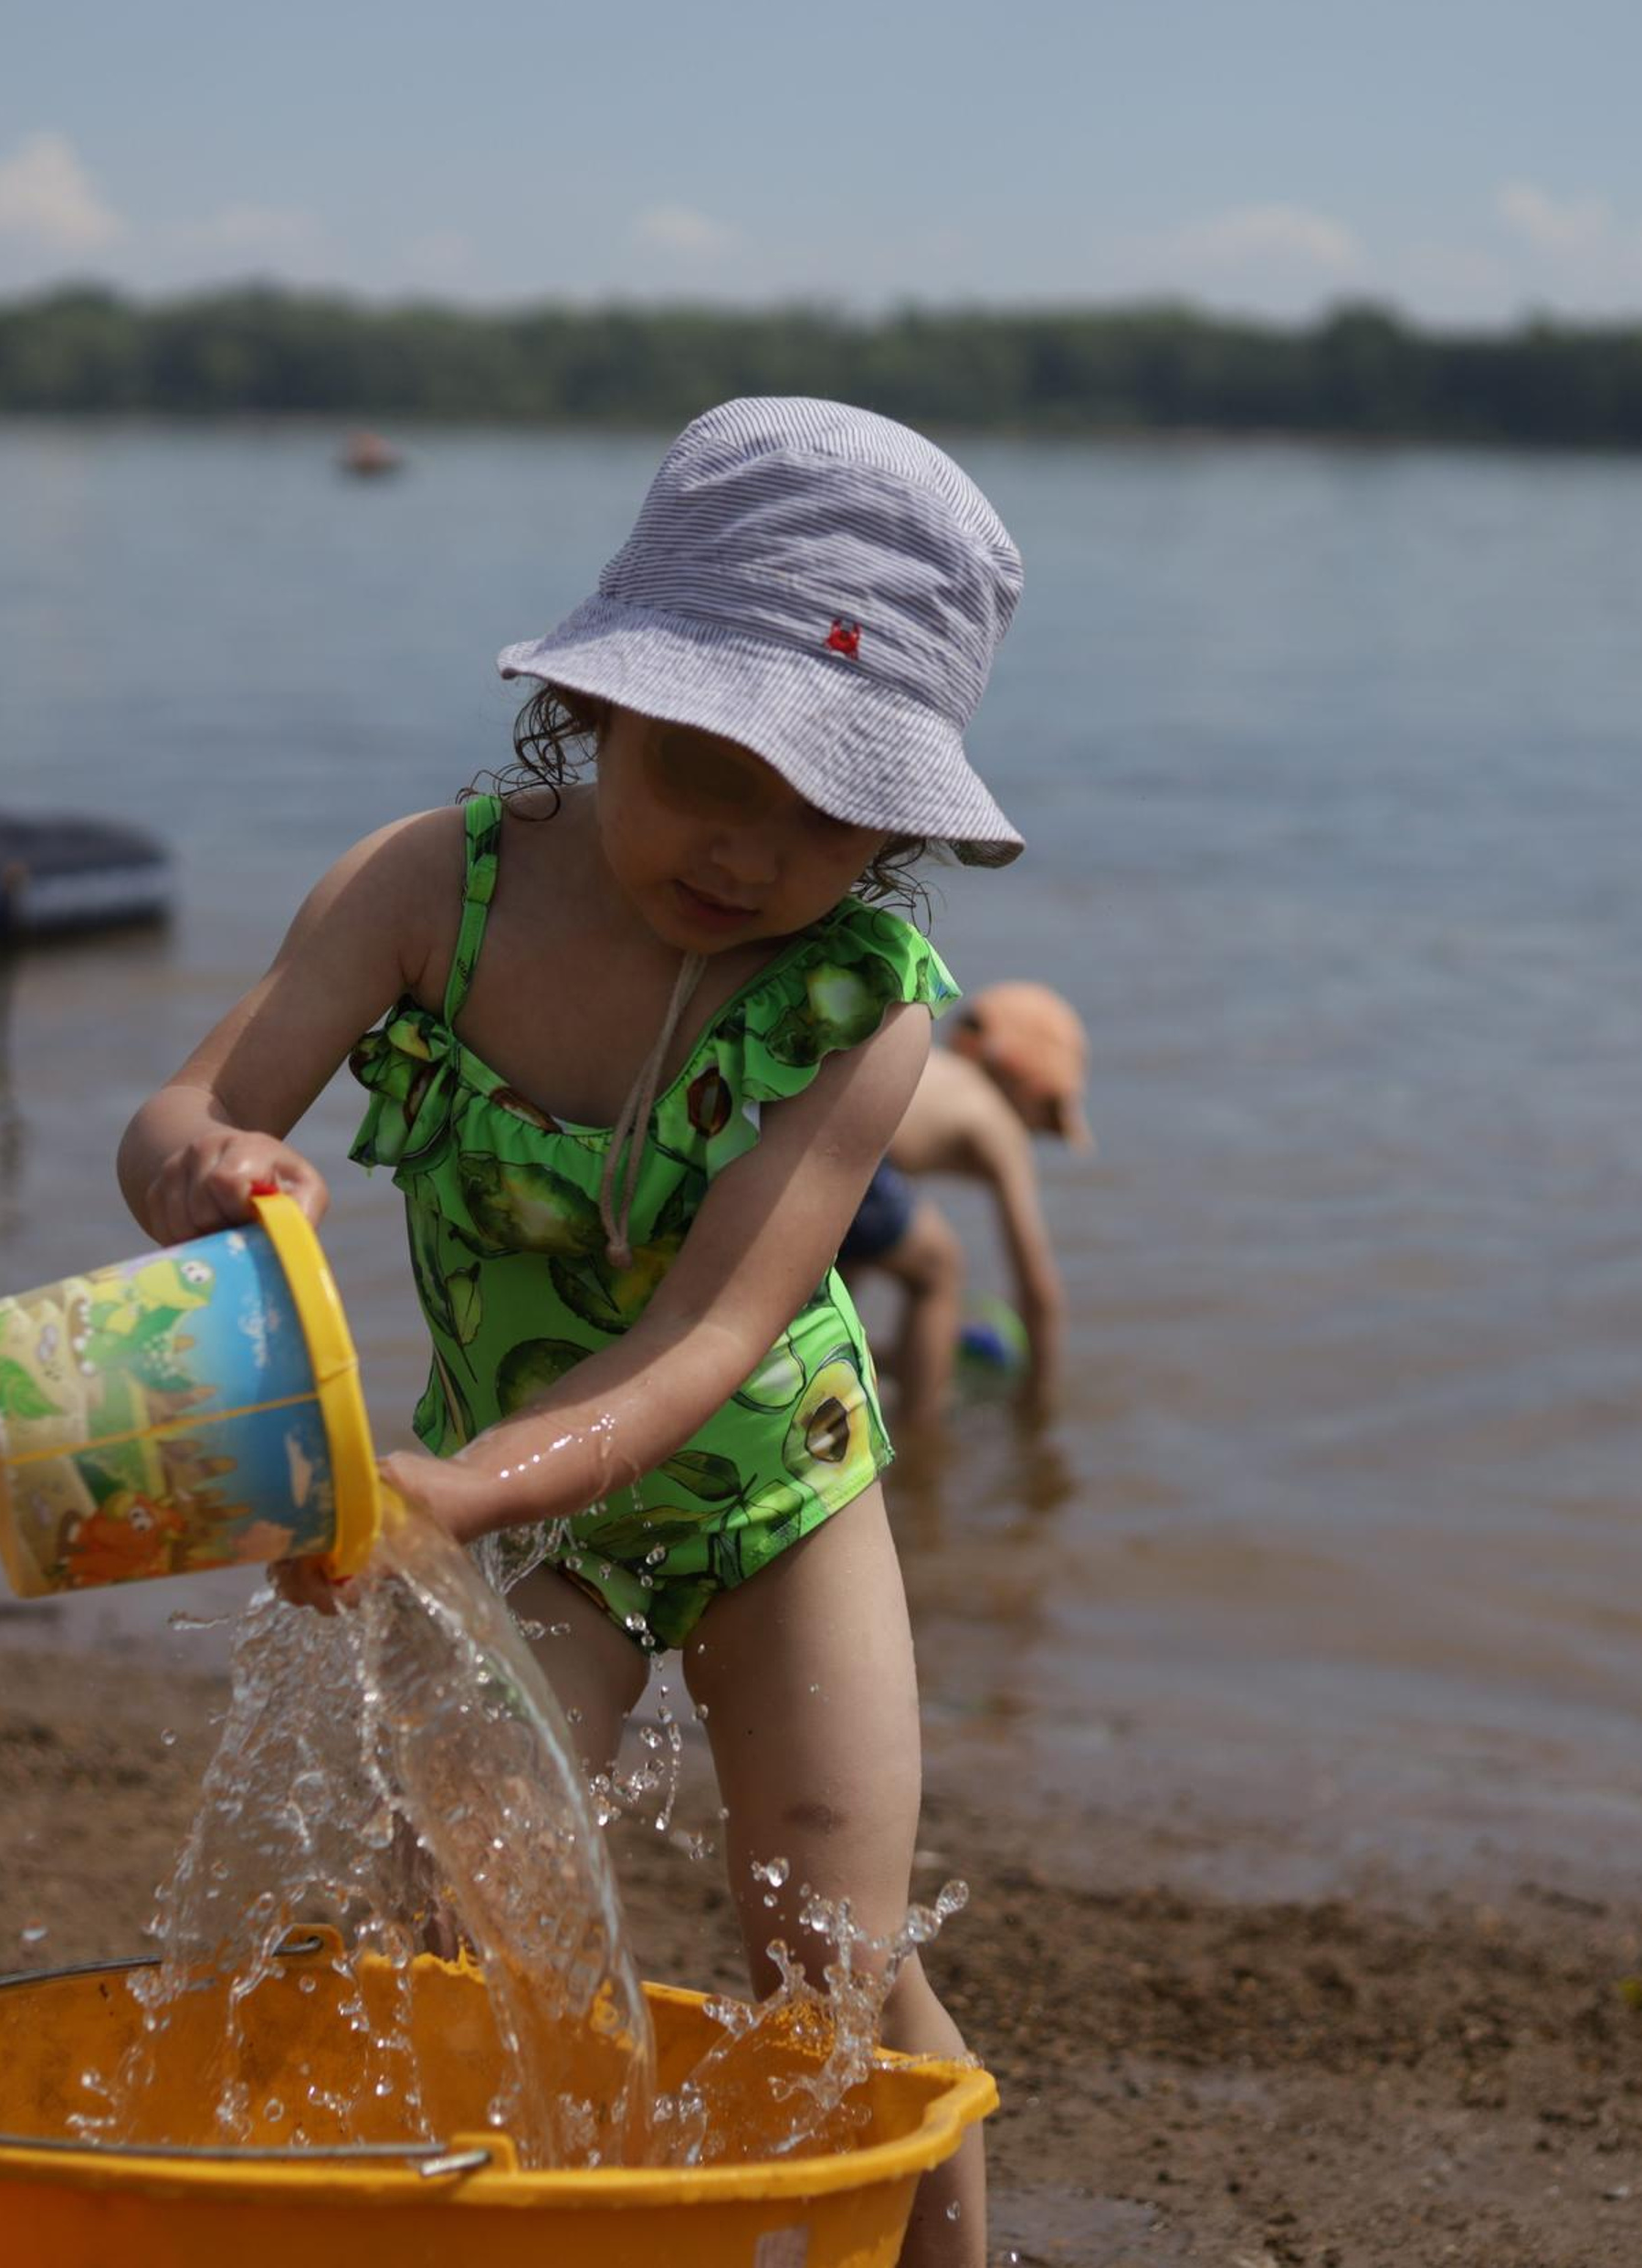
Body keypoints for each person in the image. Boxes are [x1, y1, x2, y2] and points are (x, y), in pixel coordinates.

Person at [116, 397, 1021, 2267]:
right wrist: (209, 1164)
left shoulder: (860, 1009)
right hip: (518, 1525)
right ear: (601, 704)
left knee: (828, 1958)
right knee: (472, 1911)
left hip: (779, 1504)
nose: (747, 850)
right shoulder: (419, 892)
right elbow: (179, 1115)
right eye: (705, 766)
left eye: (824, 806)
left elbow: (706, 1338)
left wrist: (441, 1487)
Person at [837, 982, 1089, 1428]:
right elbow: (1037, 1288)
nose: (1035, 1135)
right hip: (863, 1152)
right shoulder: (1000, 1121)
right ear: (1025, 1087)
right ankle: (922, 1430)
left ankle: (854, 1374)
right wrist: (1039, 1400)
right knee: (938, 1268)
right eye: (1045, 1117)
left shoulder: (937, 1065)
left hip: (832, 1123)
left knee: (846, 1276)